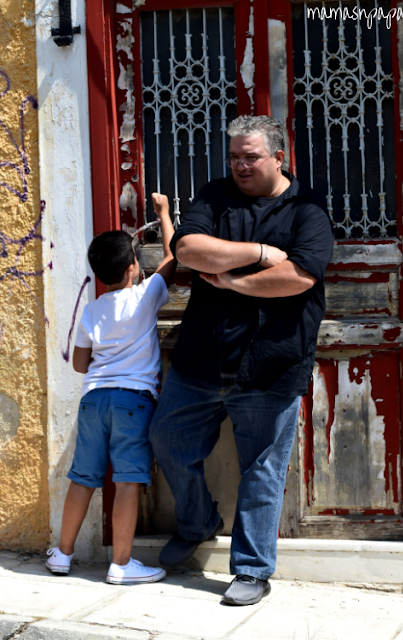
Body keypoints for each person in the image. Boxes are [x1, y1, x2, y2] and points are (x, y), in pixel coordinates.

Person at [150, 115, 334, 605]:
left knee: (262, 469)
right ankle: (198, 522)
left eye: (250, 157)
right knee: (167, 438)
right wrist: (257, 252)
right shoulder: (214, 195)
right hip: (202, 357)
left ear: (279, 157)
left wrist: (232, 279)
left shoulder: (308, 208)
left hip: (271, 361)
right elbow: (188, 249)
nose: (240, 165)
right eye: (234, 157)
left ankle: (252, 569)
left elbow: (300, 276)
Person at [46, 194, 176, 585]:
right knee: (127, 480)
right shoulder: (146, 295)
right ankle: (121, 565)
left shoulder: (92, 308)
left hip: (94, 400)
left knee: (83, 477)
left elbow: (80, 364)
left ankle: (62, 555)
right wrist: (164, 215)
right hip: (132, 401)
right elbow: (172, 260)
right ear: (134, 267)